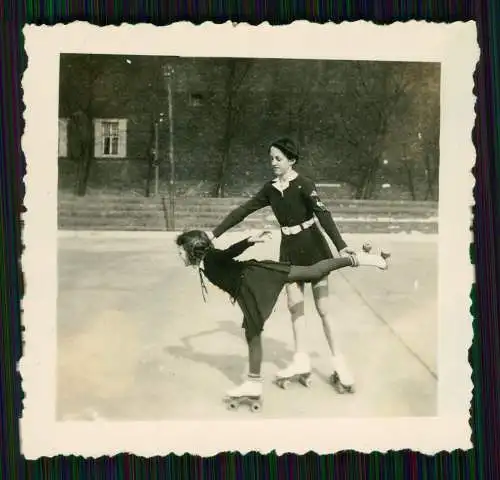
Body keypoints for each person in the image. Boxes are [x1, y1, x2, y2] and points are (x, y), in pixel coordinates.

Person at [206, 138, 358, 393]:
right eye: (271, 158)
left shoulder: (304, 185)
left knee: (323, 309)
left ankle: (339, 363)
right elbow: (243, 211)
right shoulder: (270, 189)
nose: (273, 163)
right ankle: (301, 359)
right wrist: (214, 234)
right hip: (288, 250)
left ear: (291, 160)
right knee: (294, 306)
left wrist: (341, 246)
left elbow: (323, 214)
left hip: (315, 248)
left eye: (278, 158)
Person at [176, 229, 388, 407]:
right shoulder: (205, 262)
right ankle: (253, 382)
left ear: (193, 250)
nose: (180, 255)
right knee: (253, 332)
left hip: (253, 280)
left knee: (312, 273)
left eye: (181, 252)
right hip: (248, 285)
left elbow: (227, 253)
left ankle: (358, 259)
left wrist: (248, 241)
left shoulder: (210, 257)